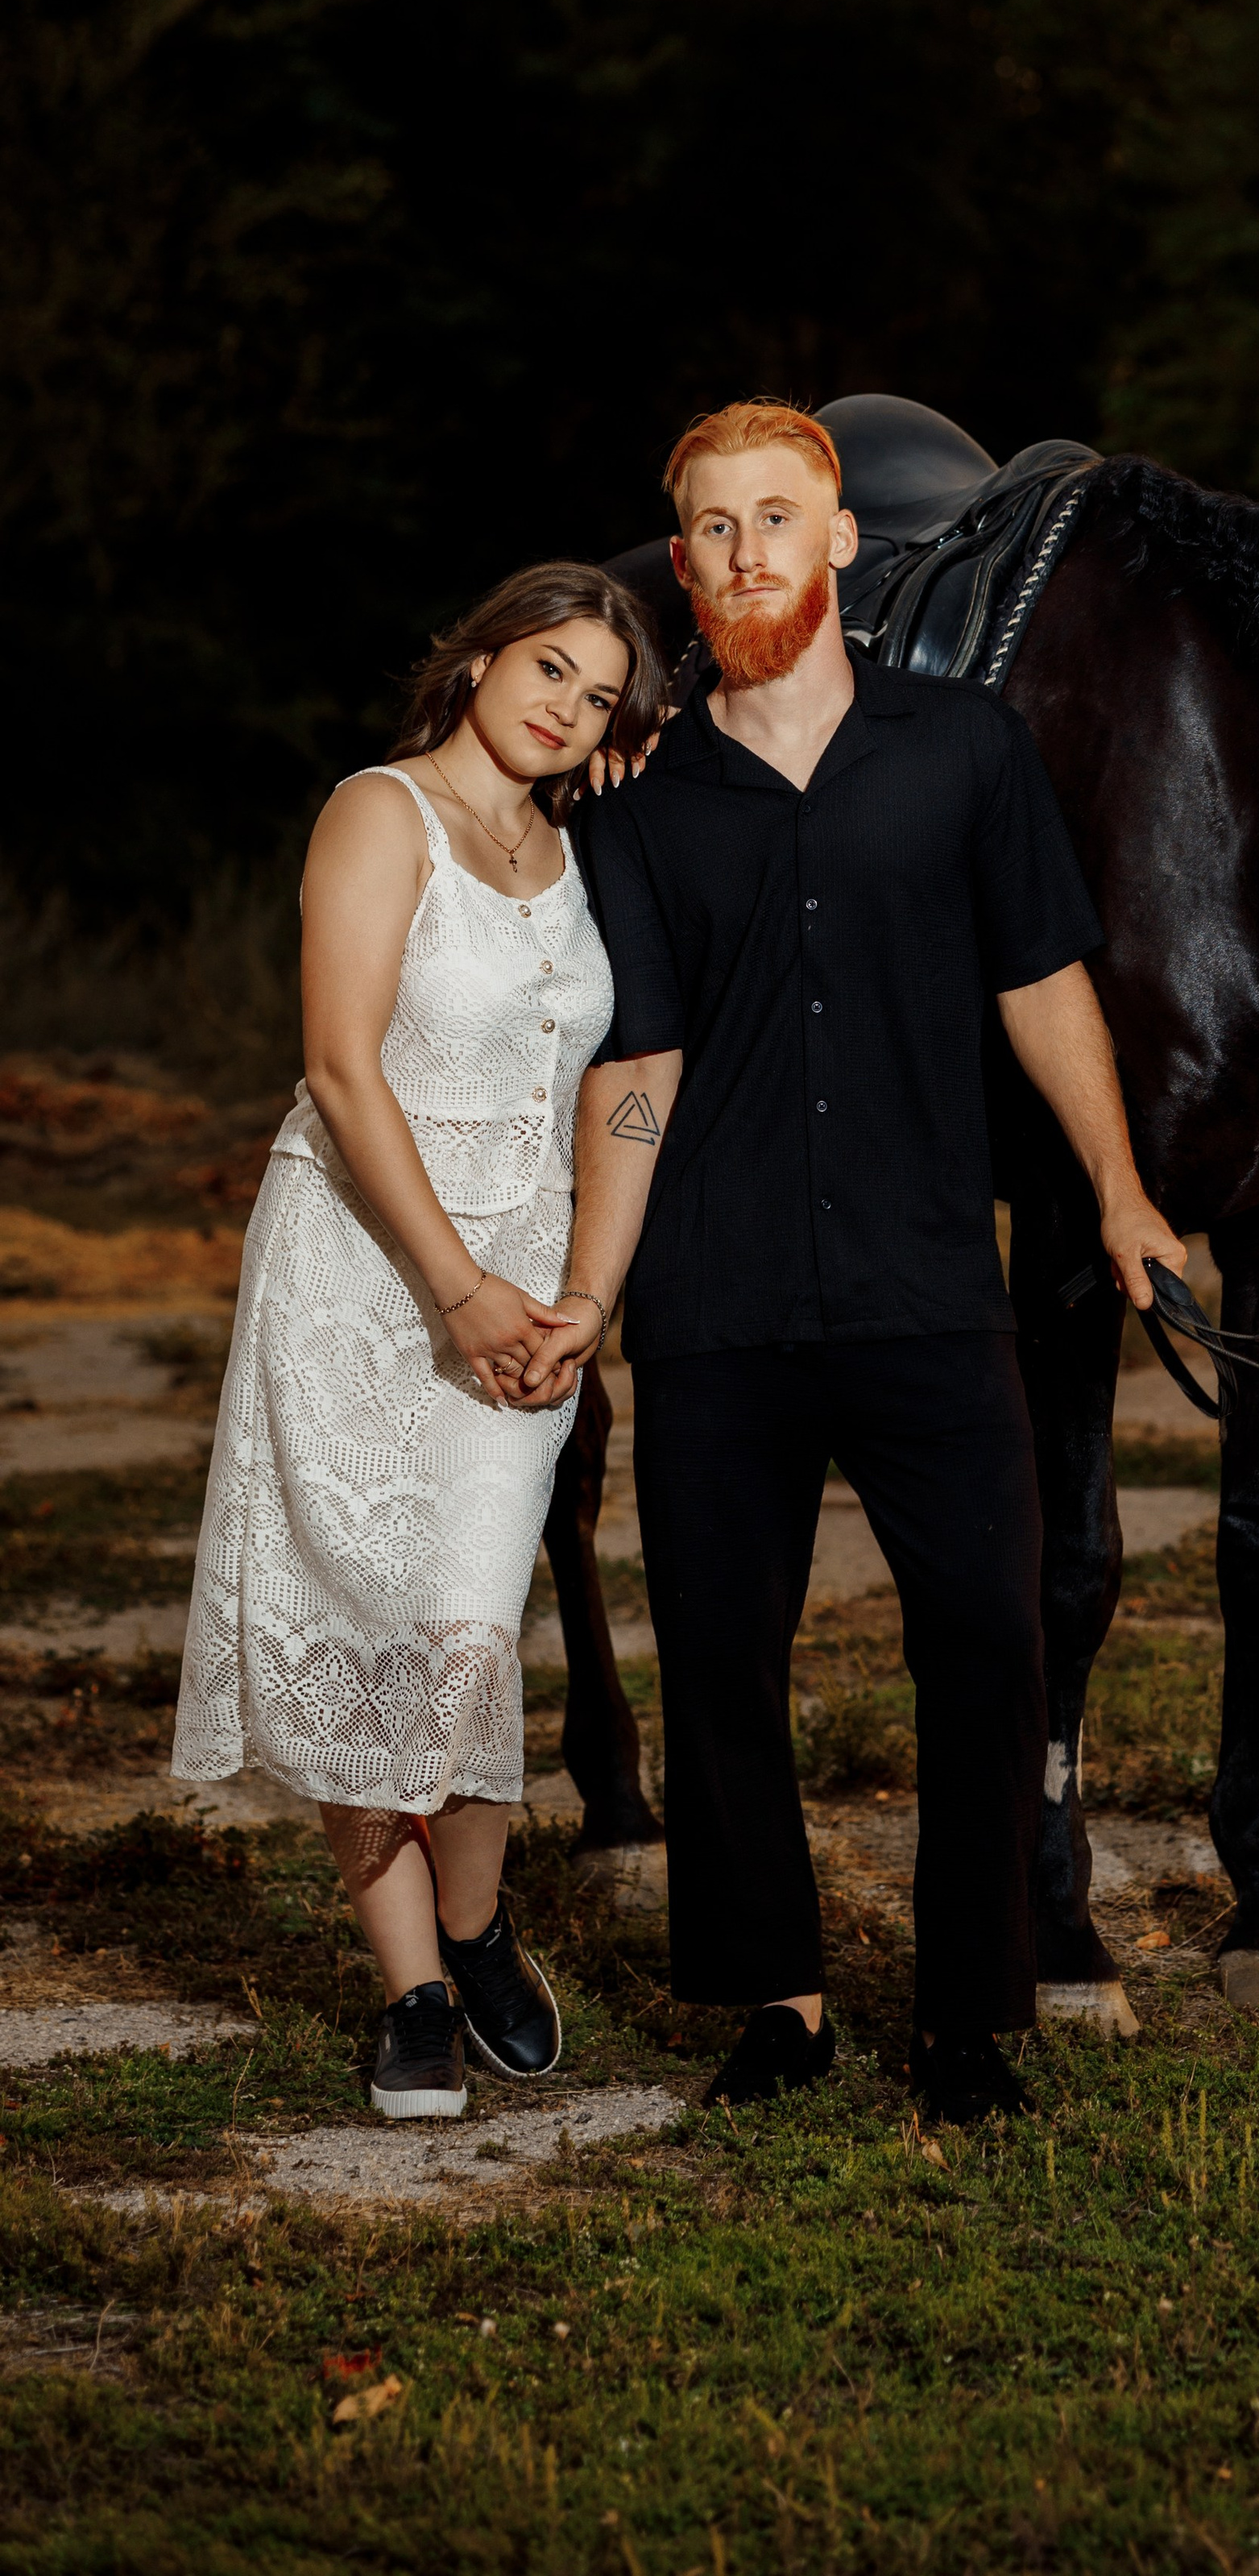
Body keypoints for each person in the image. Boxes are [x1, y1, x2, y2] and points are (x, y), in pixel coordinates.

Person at [516, 399, 1186, 2124]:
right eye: (712, 529)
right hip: (717, 1299)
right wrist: (596, 1290)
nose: (745, 551)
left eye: (775, 518)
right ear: (683, 568)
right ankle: (781, 2005)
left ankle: (966, 2020)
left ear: (839, 544)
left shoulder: (964, 753)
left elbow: (1042, 984)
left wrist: (1115, 1190)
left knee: (983, 1638)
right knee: (721, 1656)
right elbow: (637, 1063)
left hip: (922, 1285)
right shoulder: (640, 803)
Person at [172, 564, 666, 2121]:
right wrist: (452, 1286)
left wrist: (581, 1293)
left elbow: (623, 1077)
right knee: (370, 1617)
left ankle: (475, 1911)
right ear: (477, 659)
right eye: (546, 668)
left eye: (596, 696)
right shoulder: (379, 811)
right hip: (366, 1266)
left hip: (525, 1290)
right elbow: (338, 1064)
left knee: (463, 1621)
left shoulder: (585, 847)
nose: (563, 707)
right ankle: (420, 1990)